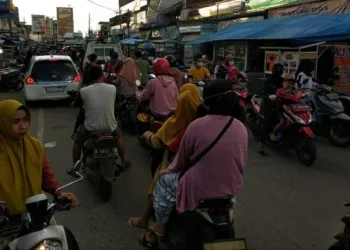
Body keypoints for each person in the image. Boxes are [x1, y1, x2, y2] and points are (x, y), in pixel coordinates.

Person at [139, 79, 248, 243]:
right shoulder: (240, 127)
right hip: (230, 187)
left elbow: (180, 162)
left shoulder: (197, 126)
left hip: (200, 187)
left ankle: (159, 225)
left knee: (163, 181)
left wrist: (165, 172)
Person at [128, 84, 201, 246]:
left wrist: (147, 135)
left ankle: (149, 226)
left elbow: (157, 142)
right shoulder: (203, 124)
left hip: (174, 165)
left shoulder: (174, 122)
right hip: (199, 171)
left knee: (158, 185)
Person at [0, 99, 79, 246]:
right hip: (5, 224)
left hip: (37, 215)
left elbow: (46, 175)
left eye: (25, 120)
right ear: (3, 123)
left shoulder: (34, 145)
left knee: (61, 241)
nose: (22, 126)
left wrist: (60, 193)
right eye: (15, 121)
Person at [71, 65, 129, 170]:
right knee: (119, 138)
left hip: (90, 129)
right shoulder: (112, 88)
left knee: (77, 141)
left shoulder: (84, 91)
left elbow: (78, 105)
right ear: (102, 75)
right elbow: (116, 104)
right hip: (110, 127)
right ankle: (123, 161)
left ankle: (75, 167)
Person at [257, 63, 285, 154]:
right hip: (269, 104)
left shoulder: (283, 81)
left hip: (281, 103)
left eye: (280, 70)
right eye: (277, 70)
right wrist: (269, 96)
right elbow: (264, 93)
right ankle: (261, 144)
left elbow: (291, 90)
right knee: (266, 123)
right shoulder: (268, 81)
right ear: (273, 71)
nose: (279, 71)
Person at [270, 76, 298, 141]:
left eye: (291, 83)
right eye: (288, 82)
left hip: (291, 110)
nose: (289, 84)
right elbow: (276, 96)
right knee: (283, 122)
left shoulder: (294, 92)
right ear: (283, 83)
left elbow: (298, 97)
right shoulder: (279, 90)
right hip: (281, 110)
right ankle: (273, 133)